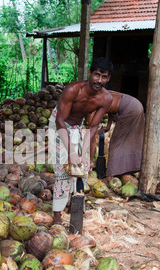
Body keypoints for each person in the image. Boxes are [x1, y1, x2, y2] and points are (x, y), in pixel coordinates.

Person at [48, 57, 114, 224]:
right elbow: (60, 121)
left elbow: (93, 127)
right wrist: (71, 152)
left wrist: (84, 153)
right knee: (63, 170)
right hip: (58, 124)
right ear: (89, 73)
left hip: (78, 126)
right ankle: (57, 217)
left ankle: (74, 207)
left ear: (108, 78)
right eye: (97, 75)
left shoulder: (106, 99)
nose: (99, 80)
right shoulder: (73, 89)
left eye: (104, 77)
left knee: (81, 169)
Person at [88, 90, 145, 184]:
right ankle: (133, 168)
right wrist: (108, 126)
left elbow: (92, 136)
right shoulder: (102, 93)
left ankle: (110, 176)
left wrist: (90, 159)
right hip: (136, 104)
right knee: (133, 140)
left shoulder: (92, 105)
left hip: (129, 109)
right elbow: (111, 109)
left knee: (115, 142)